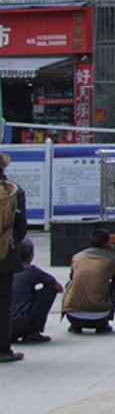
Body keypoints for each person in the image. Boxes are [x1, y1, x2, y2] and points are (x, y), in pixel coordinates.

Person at [62, 228, 115, 334]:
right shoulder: (113, 259)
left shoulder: (77, 257)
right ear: (108, 242)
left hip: (73, 316)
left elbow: (72, 277)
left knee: (71, 283)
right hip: (100, 318)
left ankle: (75, 326)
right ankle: (105, 322)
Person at [0, 151, 28, 362]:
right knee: (3, 304)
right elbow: (21, 229)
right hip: (5, 256)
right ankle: (3, 350)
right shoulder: (14, 191)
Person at [10, 239, 62, 344]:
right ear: (30, 256)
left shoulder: (6, 269)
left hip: (4, 325)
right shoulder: (30, 270)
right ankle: (32, 332)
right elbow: (58, 288)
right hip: (19, 323)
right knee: (51, 289)